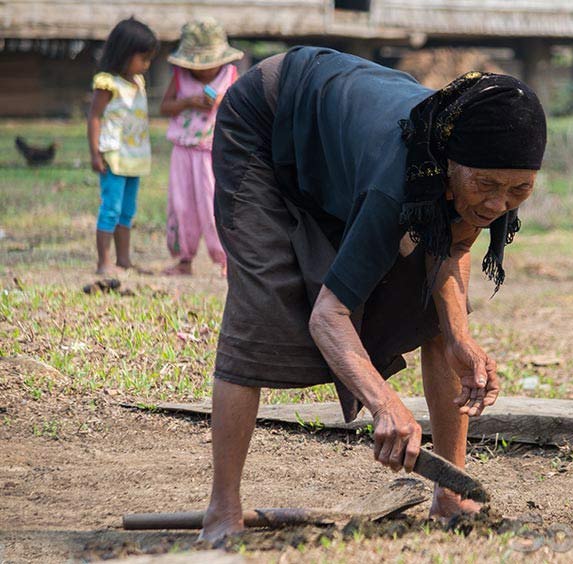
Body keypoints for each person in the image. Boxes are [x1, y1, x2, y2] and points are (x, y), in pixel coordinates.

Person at [201, 47, 547, 543]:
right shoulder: (400, 181)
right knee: (261, 304)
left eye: (519, 190)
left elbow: (451, 246)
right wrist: (385, 403)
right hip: (267, 117)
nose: (499, 203)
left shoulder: (484, 168)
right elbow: (328, 314)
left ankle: (450, 497)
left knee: (432, 308)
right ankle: (222, 510)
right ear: (448, 166)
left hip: (340, 133)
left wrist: (459, 338)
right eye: (486, 185)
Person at [160, 18, 242, 277]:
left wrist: (219, 100)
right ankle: (184, 259)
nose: (206, 71)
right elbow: (165, 107)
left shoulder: (230, 75)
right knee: (182, 204)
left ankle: (226, 259)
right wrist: (188, 102)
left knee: (213, 204)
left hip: (212, 151)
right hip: (182, 150)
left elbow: (239, 106)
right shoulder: (180, 76)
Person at [87, 18, 157, 274]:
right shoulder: (107, 82)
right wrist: (95, 153)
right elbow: (94, 116)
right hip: (114, 156)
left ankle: (123, 259)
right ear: (125, 53)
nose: (147, 65)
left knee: (127, 210)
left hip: (134, 156)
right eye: (144, 58)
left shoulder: (138, 82)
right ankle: (103, 261)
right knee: (111, 209)